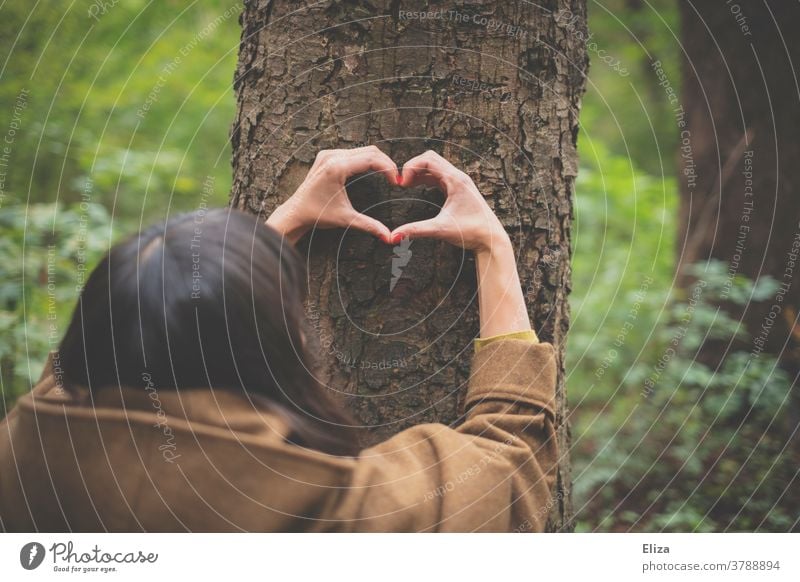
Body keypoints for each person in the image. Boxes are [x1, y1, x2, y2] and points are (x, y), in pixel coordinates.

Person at [0, 147, 558, 532]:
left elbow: (69, 384)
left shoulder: (24, 454)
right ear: (263, 347)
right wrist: (492, 247)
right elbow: (506, 466)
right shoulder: (321, 508)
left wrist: (271, 237)